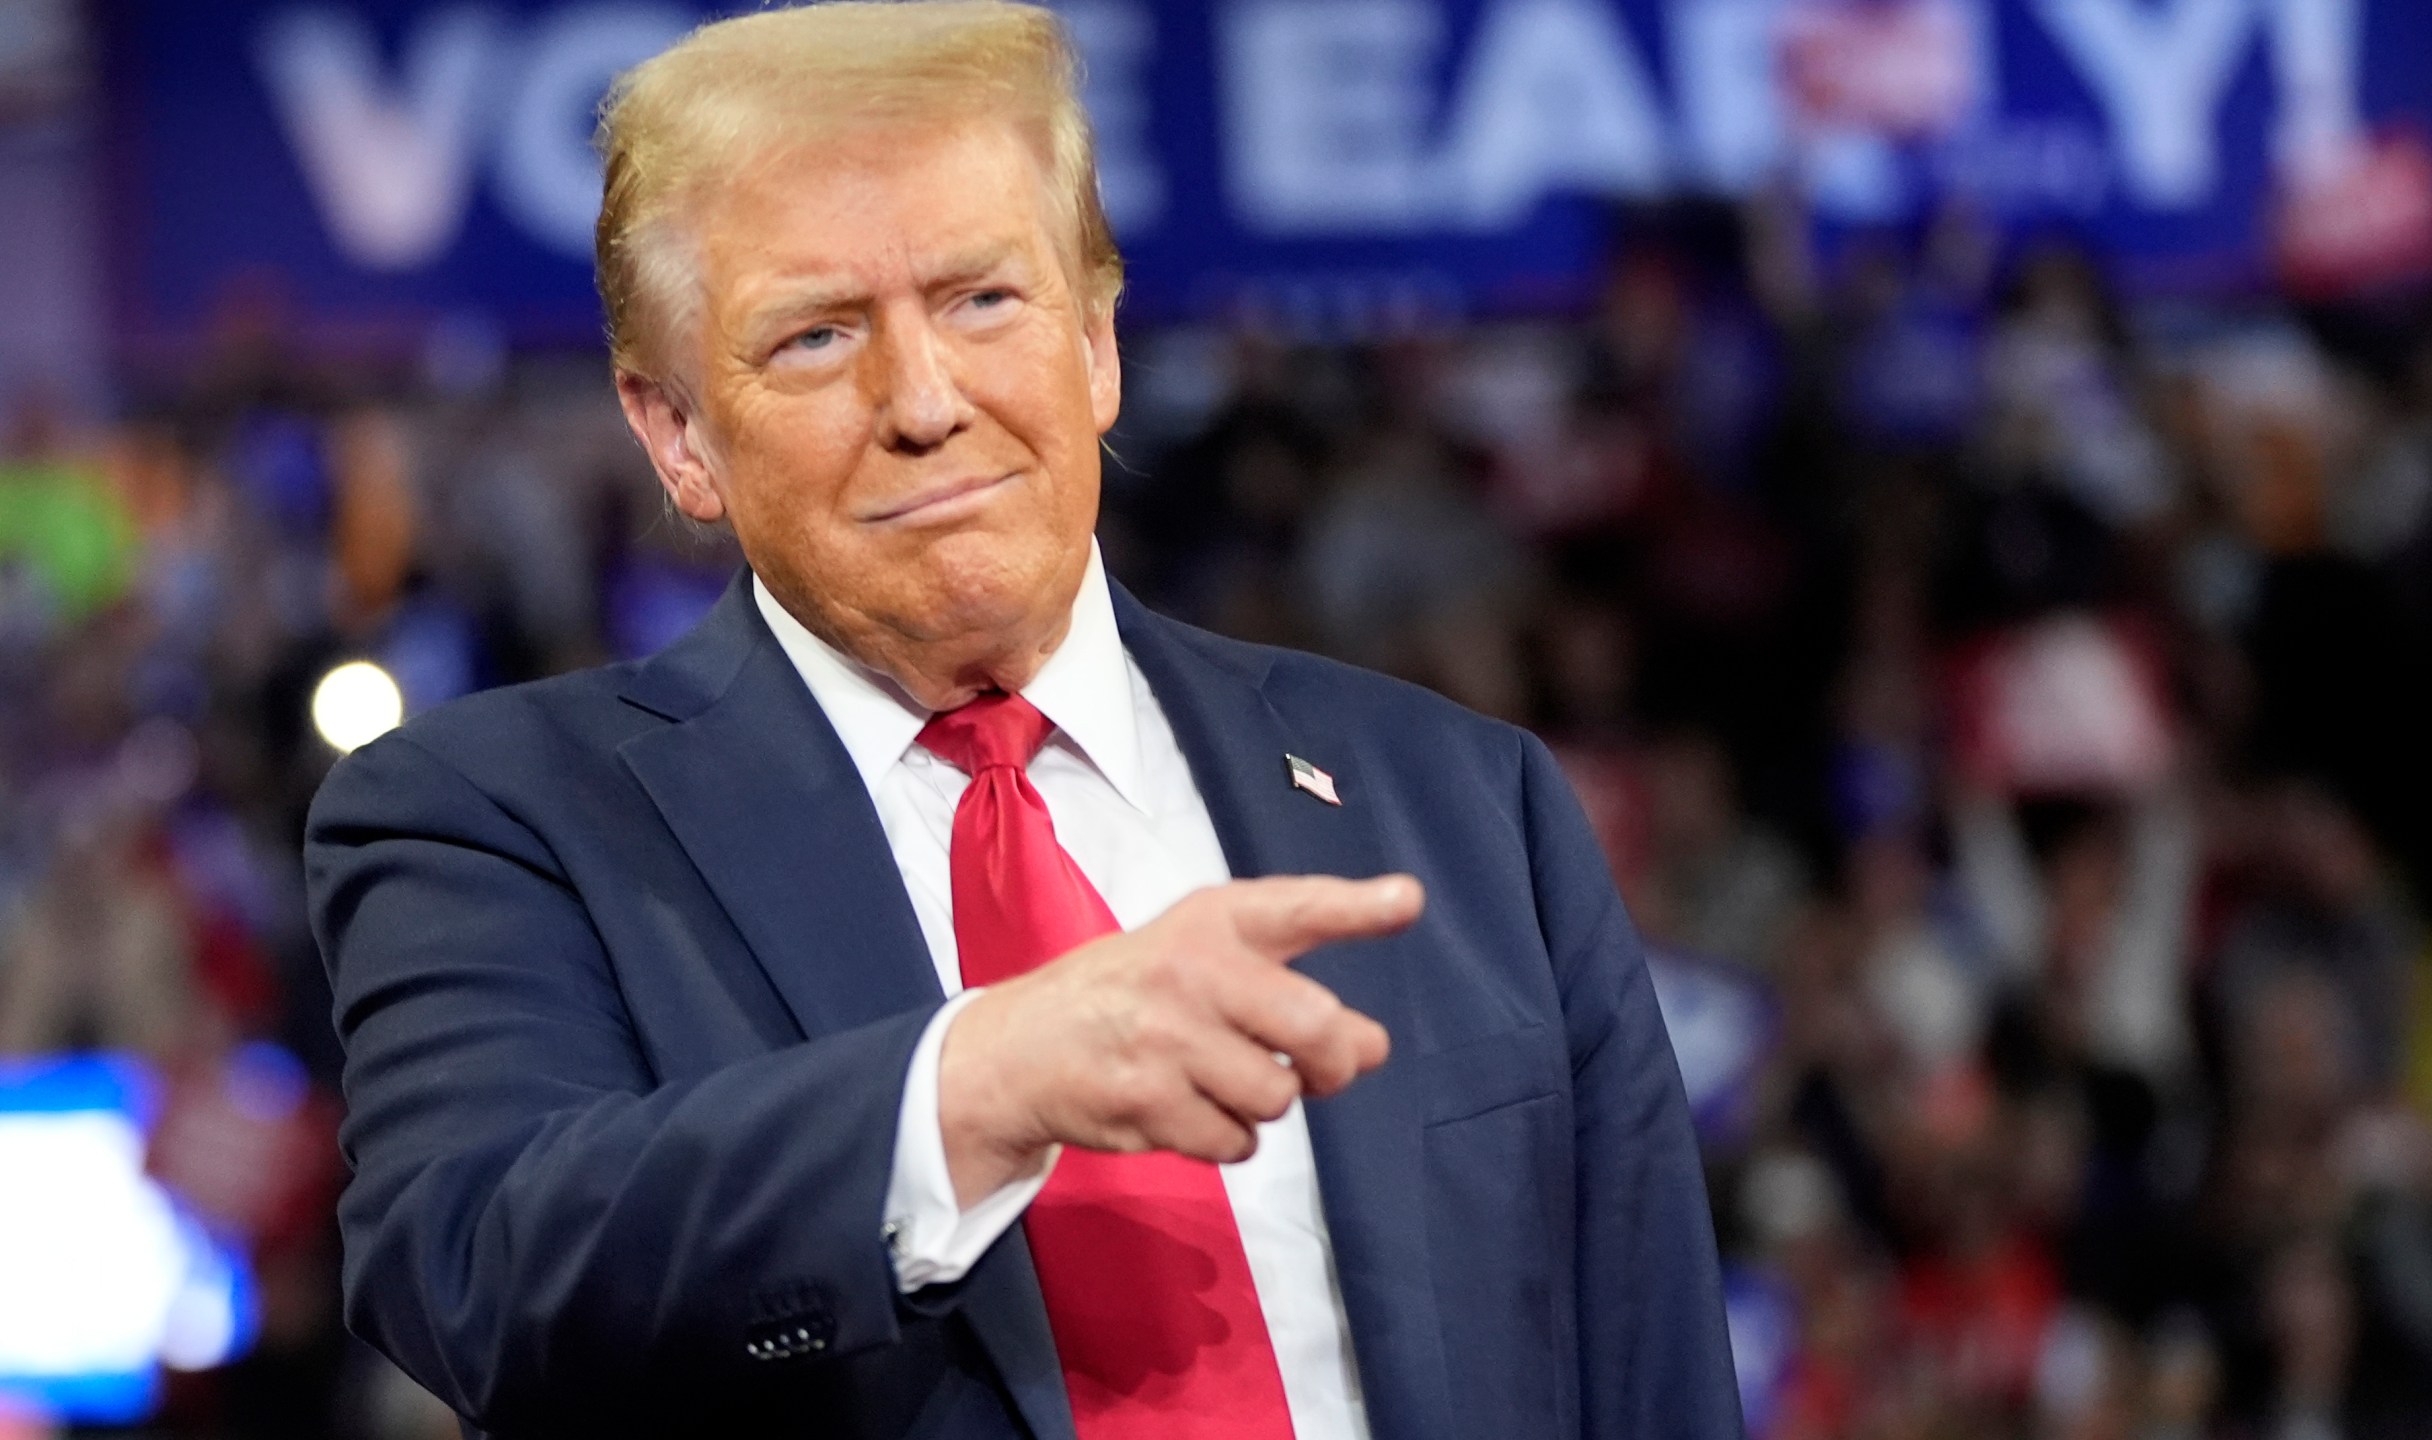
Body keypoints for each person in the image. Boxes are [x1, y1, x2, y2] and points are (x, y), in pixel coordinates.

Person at [303, 5, 1743, 1438]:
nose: (925, 401)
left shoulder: (1460, 798)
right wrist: (974, 1088)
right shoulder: (491, 819)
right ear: (678, 434)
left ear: (1100, 344)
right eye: (814, 338)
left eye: (983, 299)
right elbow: (483, 1265)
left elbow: (1649, 1371)